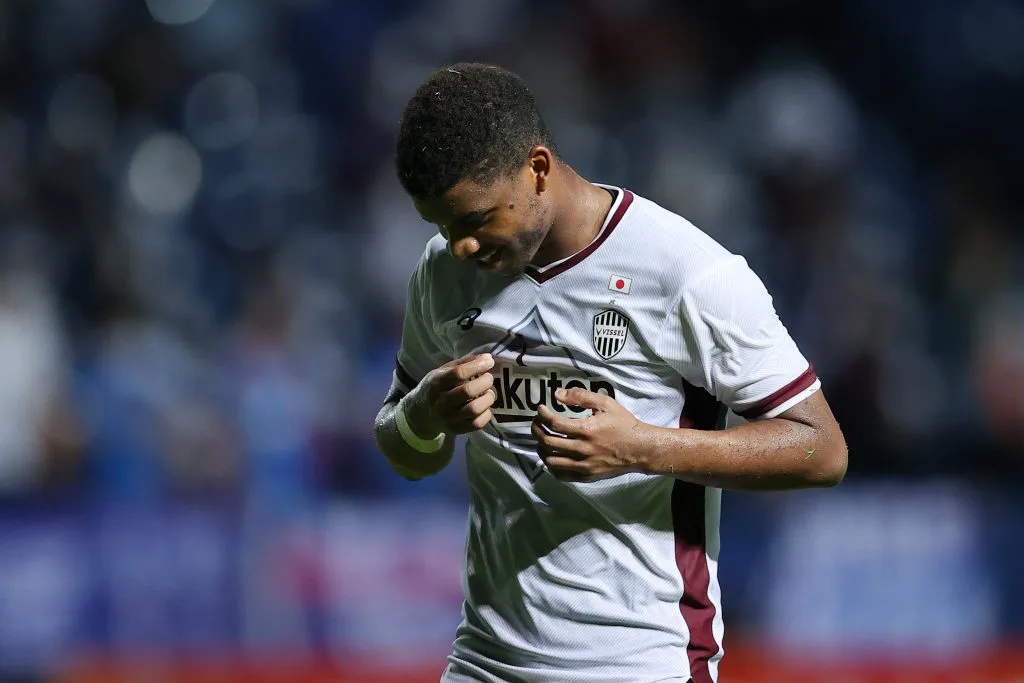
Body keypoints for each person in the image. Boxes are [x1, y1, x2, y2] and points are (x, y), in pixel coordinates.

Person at [373, 63, 847, 683]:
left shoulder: (685, 272)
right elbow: (408, 454)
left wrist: (640, 447)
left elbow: (821, 450)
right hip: (484, 662)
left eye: (476, 220)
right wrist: (423, 415)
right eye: (441, 225)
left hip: (637, 662)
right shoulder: (443, 272)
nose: (460, 245)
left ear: (537, 168)